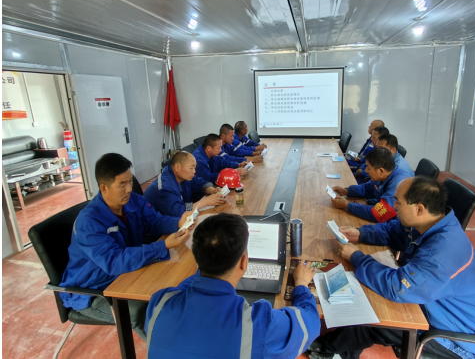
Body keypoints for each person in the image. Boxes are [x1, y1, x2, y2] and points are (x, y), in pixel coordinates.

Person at [309, 176, 475, 359]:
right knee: (371, 291)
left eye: (398, 202)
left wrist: (357, 257)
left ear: (419, 209)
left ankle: (326, 348)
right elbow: (394, 230)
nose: (394, 206)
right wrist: (360, 234)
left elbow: (396, 287)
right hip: (435, 308)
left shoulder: (440, 255)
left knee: (379, 319)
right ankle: (344, 351)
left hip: (458, 341)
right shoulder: (430, 223)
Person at [145, 213, 321, 358]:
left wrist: (209, 263)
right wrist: (301, 284)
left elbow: (187, 287)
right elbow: (311, 323)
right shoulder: (257, 326)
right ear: (243, 262)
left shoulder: (159, 303)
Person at [59, 153, 192, 340]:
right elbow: (114, 262)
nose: (129, 189)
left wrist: (178, 222)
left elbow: (154, 221)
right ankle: (165, 348)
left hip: (127, 273)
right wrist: (162, 246)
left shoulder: (133, 201)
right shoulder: (88, 222)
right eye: (122, 184)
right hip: (94, 290)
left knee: (174, 289)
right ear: (104, 188)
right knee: (141, 312)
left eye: (130, 181)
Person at [331, 148, 410, 223]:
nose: (366, 171)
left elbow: (379, 214)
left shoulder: (398, 185)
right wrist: (346, 191)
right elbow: (366, 188)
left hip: (394, 225)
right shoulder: (383, 175)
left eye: (369, 168)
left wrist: (347, 205)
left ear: (381, 171)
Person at [143, 151, 226, 217]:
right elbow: (177, 211)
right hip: (157, 227)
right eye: (191, 168)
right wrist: (205, 202)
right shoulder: (166, 186)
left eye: (194, 168)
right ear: (177, 167)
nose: (194, 171)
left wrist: (213, 190)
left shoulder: (184, 175)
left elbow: (200, 183)